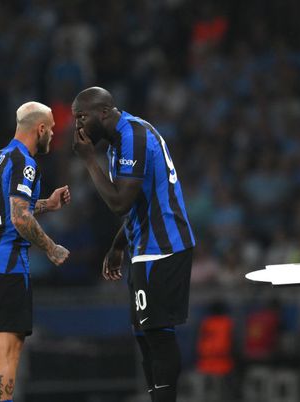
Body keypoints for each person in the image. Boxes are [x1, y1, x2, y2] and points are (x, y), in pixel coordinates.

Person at [71, 86, 195, 402]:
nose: (78, 127)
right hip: (144, 244)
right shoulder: (119, 143)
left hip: (164, 245)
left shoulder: (133, 137)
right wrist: (118, 245)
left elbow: (120, 203)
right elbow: (139, 202)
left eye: (81, 117)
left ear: (102, 112)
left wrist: (88, 161)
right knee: (143, 335)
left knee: (158, 334)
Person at [0, 101, 71, 402]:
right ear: (40, 128)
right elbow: (18, 216)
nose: (53, 134)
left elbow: (9, 208)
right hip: (6, 265)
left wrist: (47, 205)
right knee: (8, 352)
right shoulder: (26, 162)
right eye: (51, 128)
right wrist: (51, 248)